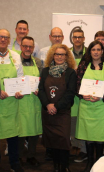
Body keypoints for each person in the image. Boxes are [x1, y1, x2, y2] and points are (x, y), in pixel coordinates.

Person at [0, 29, 25, 172]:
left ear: (9, 40)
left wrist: (20, 91)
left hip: (11, 102)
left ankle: (14, 162)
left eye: (6, 38)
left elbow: (20, 77)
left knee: (13, 134)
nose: (3, 40)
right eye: (0, 37)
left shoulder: (15, 56)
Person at [75, 40, 104, 172]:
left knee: (99, 137)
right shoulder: (83, 66)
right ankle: (90, 162)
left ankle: (98, 163)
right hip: (86, 106)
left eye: (98, 49)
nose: (96, 52)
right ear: (89, 52)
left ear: (102, 51)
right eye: (93, 50)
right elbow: (77, 84)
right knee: (89, 136)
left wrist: (102, 95)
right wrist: (82, 95)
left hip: (102, 107)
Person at [38, 44, 76, 172]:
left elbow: (70, 93)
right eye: (57, 54)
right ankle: (55, 166)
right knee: (52, 142)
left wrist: (56, 106)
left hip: (62, 112)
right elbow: (41, 90)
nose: (59, 57)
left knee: (63, 141)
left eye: (62, 54)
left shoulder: (71, 72)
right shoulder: (45, 71)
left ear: (66, 57)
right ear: (52, 55)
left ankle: (64, 167)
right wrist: (48, 105)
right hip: (48, 112)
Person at [18, 36, 43, 166]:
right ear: (21, 47)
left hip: (34, 100)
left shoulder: (39, 62)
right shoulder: (15, 61)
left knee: (34, 129)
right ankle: (20, 155)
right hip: (20, 101)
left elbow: (42, 80)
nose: (28, 49)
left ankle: (31, 155)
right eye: (25, 46)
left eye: (30, 47)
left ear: (33, 48)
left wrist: (40, 89)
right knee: (20, 130)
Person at [69, 28, 88, 161]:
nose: (77, 39)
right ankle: (75, 146)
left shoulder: (90, 53)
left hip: (86, 92)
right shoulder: (67, 53)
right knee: (73, 121)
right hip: (71, 92)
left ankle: (83, 149)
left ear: (83, 38)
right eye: (75, 37)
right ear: (72, 39)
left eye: (80, 37)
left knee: (84, 121)